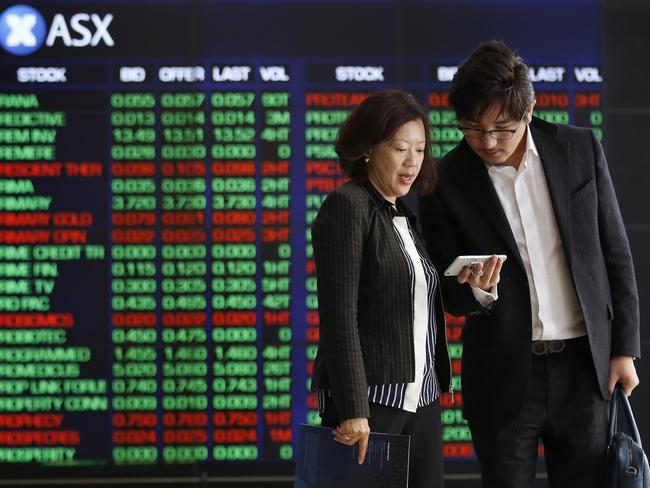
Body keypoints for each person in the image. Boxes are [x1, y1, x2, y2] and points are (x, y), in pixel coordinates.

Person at [419, 40, 641, 487]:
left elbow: (615, 253)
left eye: (501, 128)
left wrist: (623, 350)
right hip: (502, 376)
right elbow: (444, 291)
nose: (487, 142)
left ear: (528, 110)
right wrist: (477, 290)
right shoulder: (445, 180)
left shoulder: (579, 149)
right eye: (472, 129)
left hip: (584, 369)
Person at [310, 89, 451, 487]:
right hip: (372, 403)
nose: (413, 162)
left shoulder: (402, 214)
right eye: (400, 148)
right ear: (369, 149)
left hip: (421, 399)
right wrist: (354, 408)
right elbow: (340, 319)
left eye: (421, 150)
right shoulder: (348, 206)